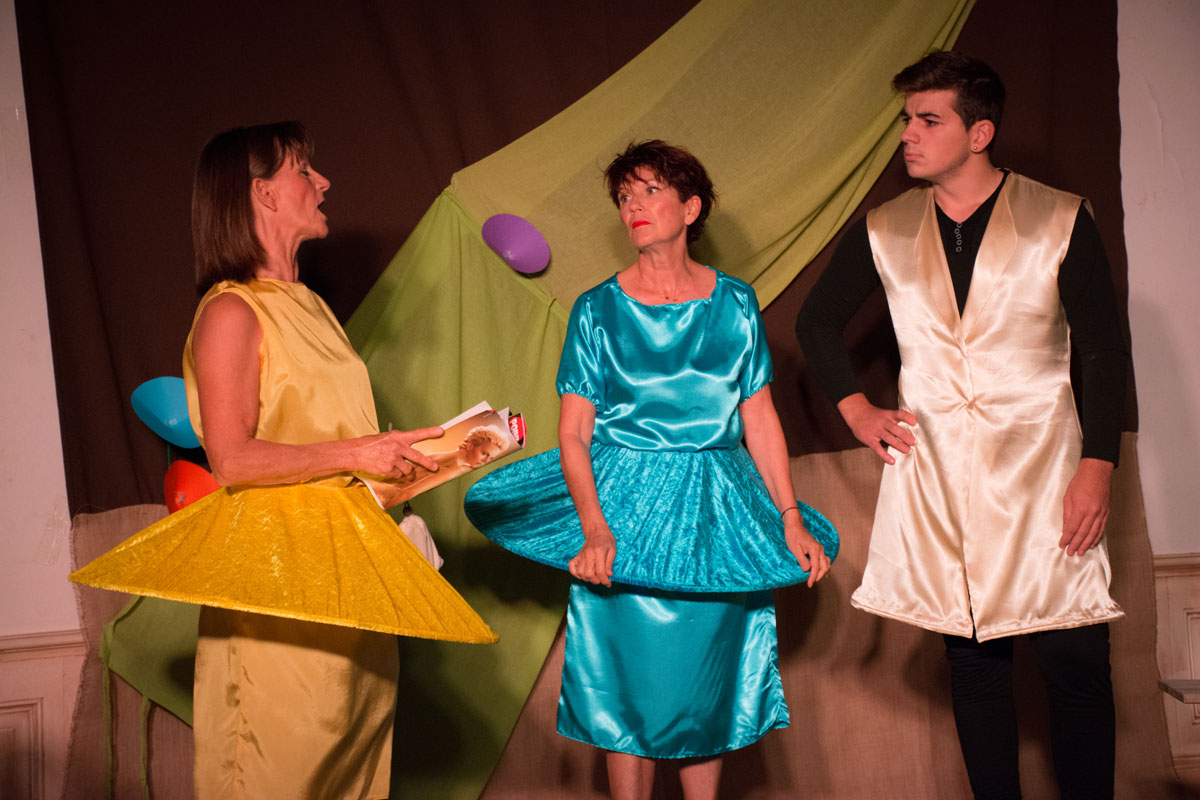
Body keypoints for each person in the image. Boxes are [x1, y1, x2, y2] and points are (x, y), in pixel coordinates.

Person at [72, 121, 495, 798]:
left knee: (354, 775)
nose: (323, 182)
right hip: (280, 586)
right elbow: (233, 459)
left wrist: (412, 461)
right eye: (304, 169)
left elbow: (323, 440)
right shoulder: (231, 312)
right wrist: (359, 450)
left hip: (349, 581)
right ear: (262, 193)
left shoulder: (313, 309)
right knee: (283, 773)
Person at [795, 51, 1127, 799]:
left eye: (927, 119)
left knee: (1074, 659)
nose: (907, 134)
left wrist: (1097, 465)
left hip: (1048, 468)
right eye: (906, 119)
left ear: (979, 133)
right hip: (941, 472)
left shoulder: (1059, 217)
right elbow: (816, 321)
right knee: (974, 663)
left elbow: (1104, 351)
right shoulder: (885, 227)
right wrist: (856, 408)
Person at [465, 140, 834, 800]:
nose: (633, 205)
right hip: (622, 516)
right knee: (624, 689)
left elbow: (759, 419)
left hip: (716, 516)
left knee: (707, 686)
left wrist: (789, 517)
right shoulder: (596, 310)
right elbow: (573, 434)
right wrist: (594, 528)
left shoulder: (736, 303)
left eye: (650, 191)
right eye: (624, 195)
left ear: (691, 208)